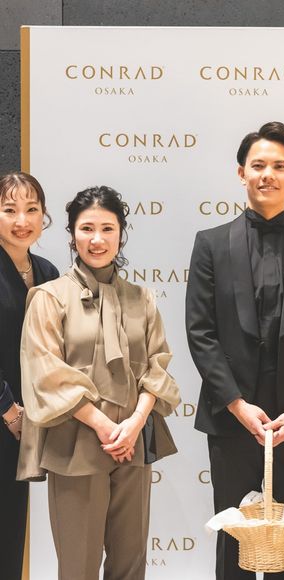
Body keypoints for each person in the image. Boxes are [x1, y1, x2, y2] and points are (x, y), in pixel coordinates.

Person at [186, 121, 284, 579]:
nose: (267, 174)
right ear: (241, 173)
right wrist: (236, 404)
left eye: (279, 166)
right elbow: (201, 332)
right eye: (258, 166)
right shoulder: (211, 244)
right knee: (234, 542)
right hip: (231, 419)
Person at [17, 186, 180, 580]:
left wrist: (134, 423)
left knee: (130, 564)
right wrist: (105, 426)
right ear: (72, 234)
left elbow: (158, 365)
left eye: (108, 228)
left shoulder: (142, 298)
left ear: (121, 233)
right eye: (86, 228)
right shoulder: (49, 297)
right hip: (76, 443)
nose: (97, 239)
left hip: (133, 444)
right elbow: (45, 371)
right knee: (79, 567)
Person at [0, 172, 58, 580]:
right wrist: (9, 411)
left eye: (31, 209)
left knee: (10, 529)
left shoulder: (48, 272)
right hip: (9, 415)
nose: (22, 220)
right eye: (9, 210)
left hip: (26, 428)